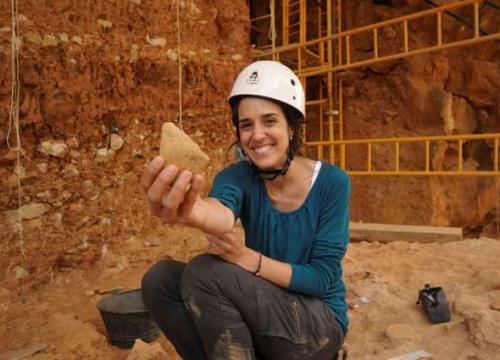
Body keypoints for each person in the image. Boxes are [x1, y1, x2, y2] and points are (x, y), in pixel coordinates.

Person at [140, 60, 350, 360]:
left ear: (291, 126)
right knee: (161, 281)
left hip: (318, 326)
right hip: (265, 308)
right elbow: (221, 210)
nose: (257, 135)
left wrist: (244, 257)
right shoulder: (239, 176)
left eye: (269, 121)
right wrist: (196, 212)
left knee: (204, 272)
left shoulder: (332, 183)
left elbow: (321, 278)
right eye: (246, 124)